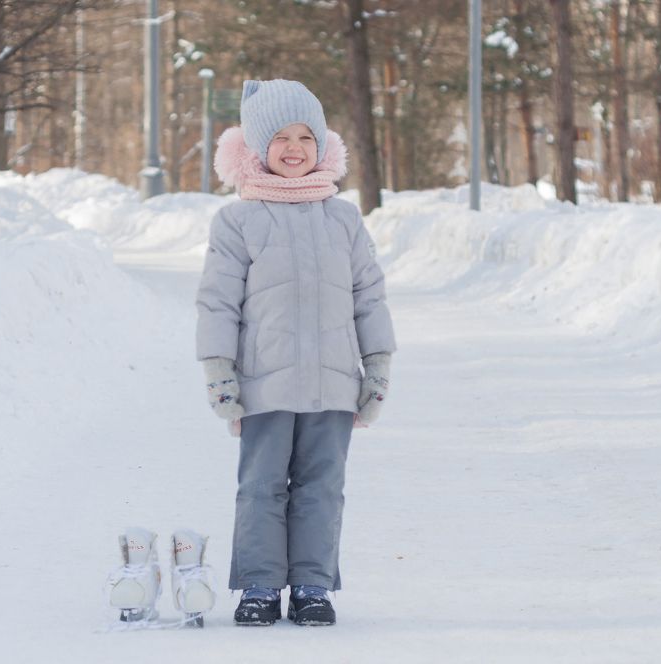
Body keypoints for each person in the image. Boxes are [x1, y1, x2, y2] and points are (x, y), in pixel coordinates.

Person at [195, 79, 396, 627]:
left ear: (323, 145)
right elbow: (217, 303)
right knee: (261, 487)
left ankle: (312, 584)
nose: (294, 147)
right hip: (264, 383)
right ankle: (259, 586)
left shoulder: (344, 219)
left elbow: (368, 296)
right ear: (257, 147)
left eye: (306, 135)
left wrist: (376, 367)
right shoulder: (238, 220)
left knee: (322, 487)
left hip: (333, 382)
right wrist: (220, 372)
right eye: (280, 136)